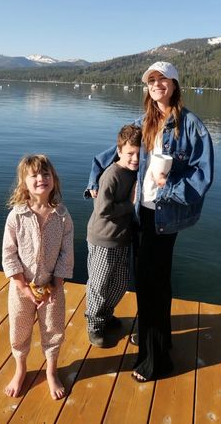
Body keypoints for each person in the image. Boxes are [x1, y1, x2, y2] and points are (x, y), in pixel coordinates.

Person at [85, 61, 214, 382]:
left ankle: (155, 362)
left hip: (165, 217)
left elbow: (203, 176)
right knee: (150, 283)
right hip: (140, 217)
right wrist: (93, 183)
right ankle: (156, 340)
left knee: (153, 285)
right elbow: (107, 156)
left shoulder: (192, 127)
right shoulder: (142, 122)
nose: (157, 84)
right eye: (151, 80)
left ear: (174, 84)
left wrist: (168, 188)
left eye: (163, 79)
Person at [2, 154, 74, 399]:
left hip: (51, 287)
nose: (41, 179)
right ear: (24, 183)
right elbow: (9, 253)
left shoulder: (62, 216)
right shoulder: (16, 216)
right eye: (33, 175)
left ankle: (51, 372)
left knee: (53, 329)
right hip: (21, 288)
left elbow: (66, 254)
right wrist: (22, 287)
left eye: (46, 174)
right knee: (19, 330)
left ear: (54, 179)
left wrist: (56, 284)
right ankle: (20, 369)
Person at [85, 124, 142, 347]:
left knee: (119, 282)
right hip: (103, 238)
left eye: (139, 153)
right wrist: (130, 204)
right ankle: (94, 324)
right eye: (130, 153)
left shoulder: (134, 172)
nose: (135, 158)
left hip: (121, 239)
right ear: (119, 151)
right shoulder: (112, 175)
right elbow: (103, 210)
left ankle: (106, 314)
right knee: (99, 284)